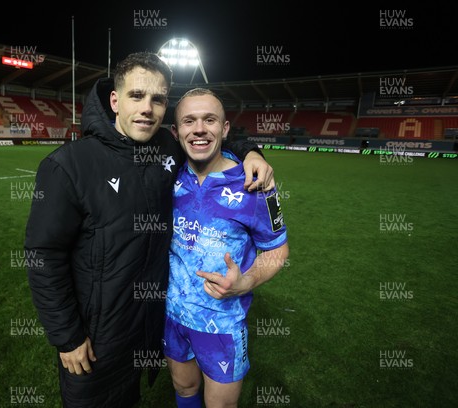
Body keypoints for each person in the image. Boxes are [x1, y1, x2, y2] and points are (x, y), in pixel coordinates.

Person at [24, 52, 275, 408]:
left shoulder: (166, 149)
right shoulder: (68, 165)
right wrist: (67, 336)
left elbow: (206, 136)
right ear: (114, 100)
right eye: (136, 95)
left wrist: (252, 153)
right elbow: (43, 255)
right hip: (96, 337)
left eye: (158, 99)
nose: (147, 108)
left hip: (148, 326)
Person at [164, 88, 290, 408]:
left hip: (221, 322)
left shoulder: (257, 185)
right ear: (176, 132)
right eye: (189, 121)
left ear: (225, 128)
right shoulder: (165, 175)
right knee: (184, 388)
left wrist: (246, 282)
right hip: (171, 313)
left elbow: (277, 251)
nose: (200, 129)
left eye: (210, 120)